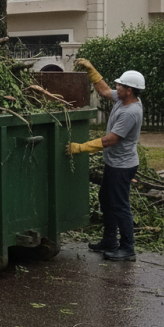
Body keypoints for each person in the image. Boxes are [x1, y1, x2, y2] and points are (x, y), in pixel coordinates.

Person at [66, 59, 144, 262]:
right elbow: (105, 91)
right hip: (115, 164)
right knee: (106, 200)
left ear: (130, 90)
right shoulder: (124, 98)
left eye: (120, 85)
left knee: (119, 205)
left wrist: (82, 147)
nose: (116, 87)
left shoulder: (131, 112)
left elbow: (111, 140)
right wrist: (92, 70)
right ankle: (110, 241)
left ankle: (127, 248)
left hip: (122, 166)